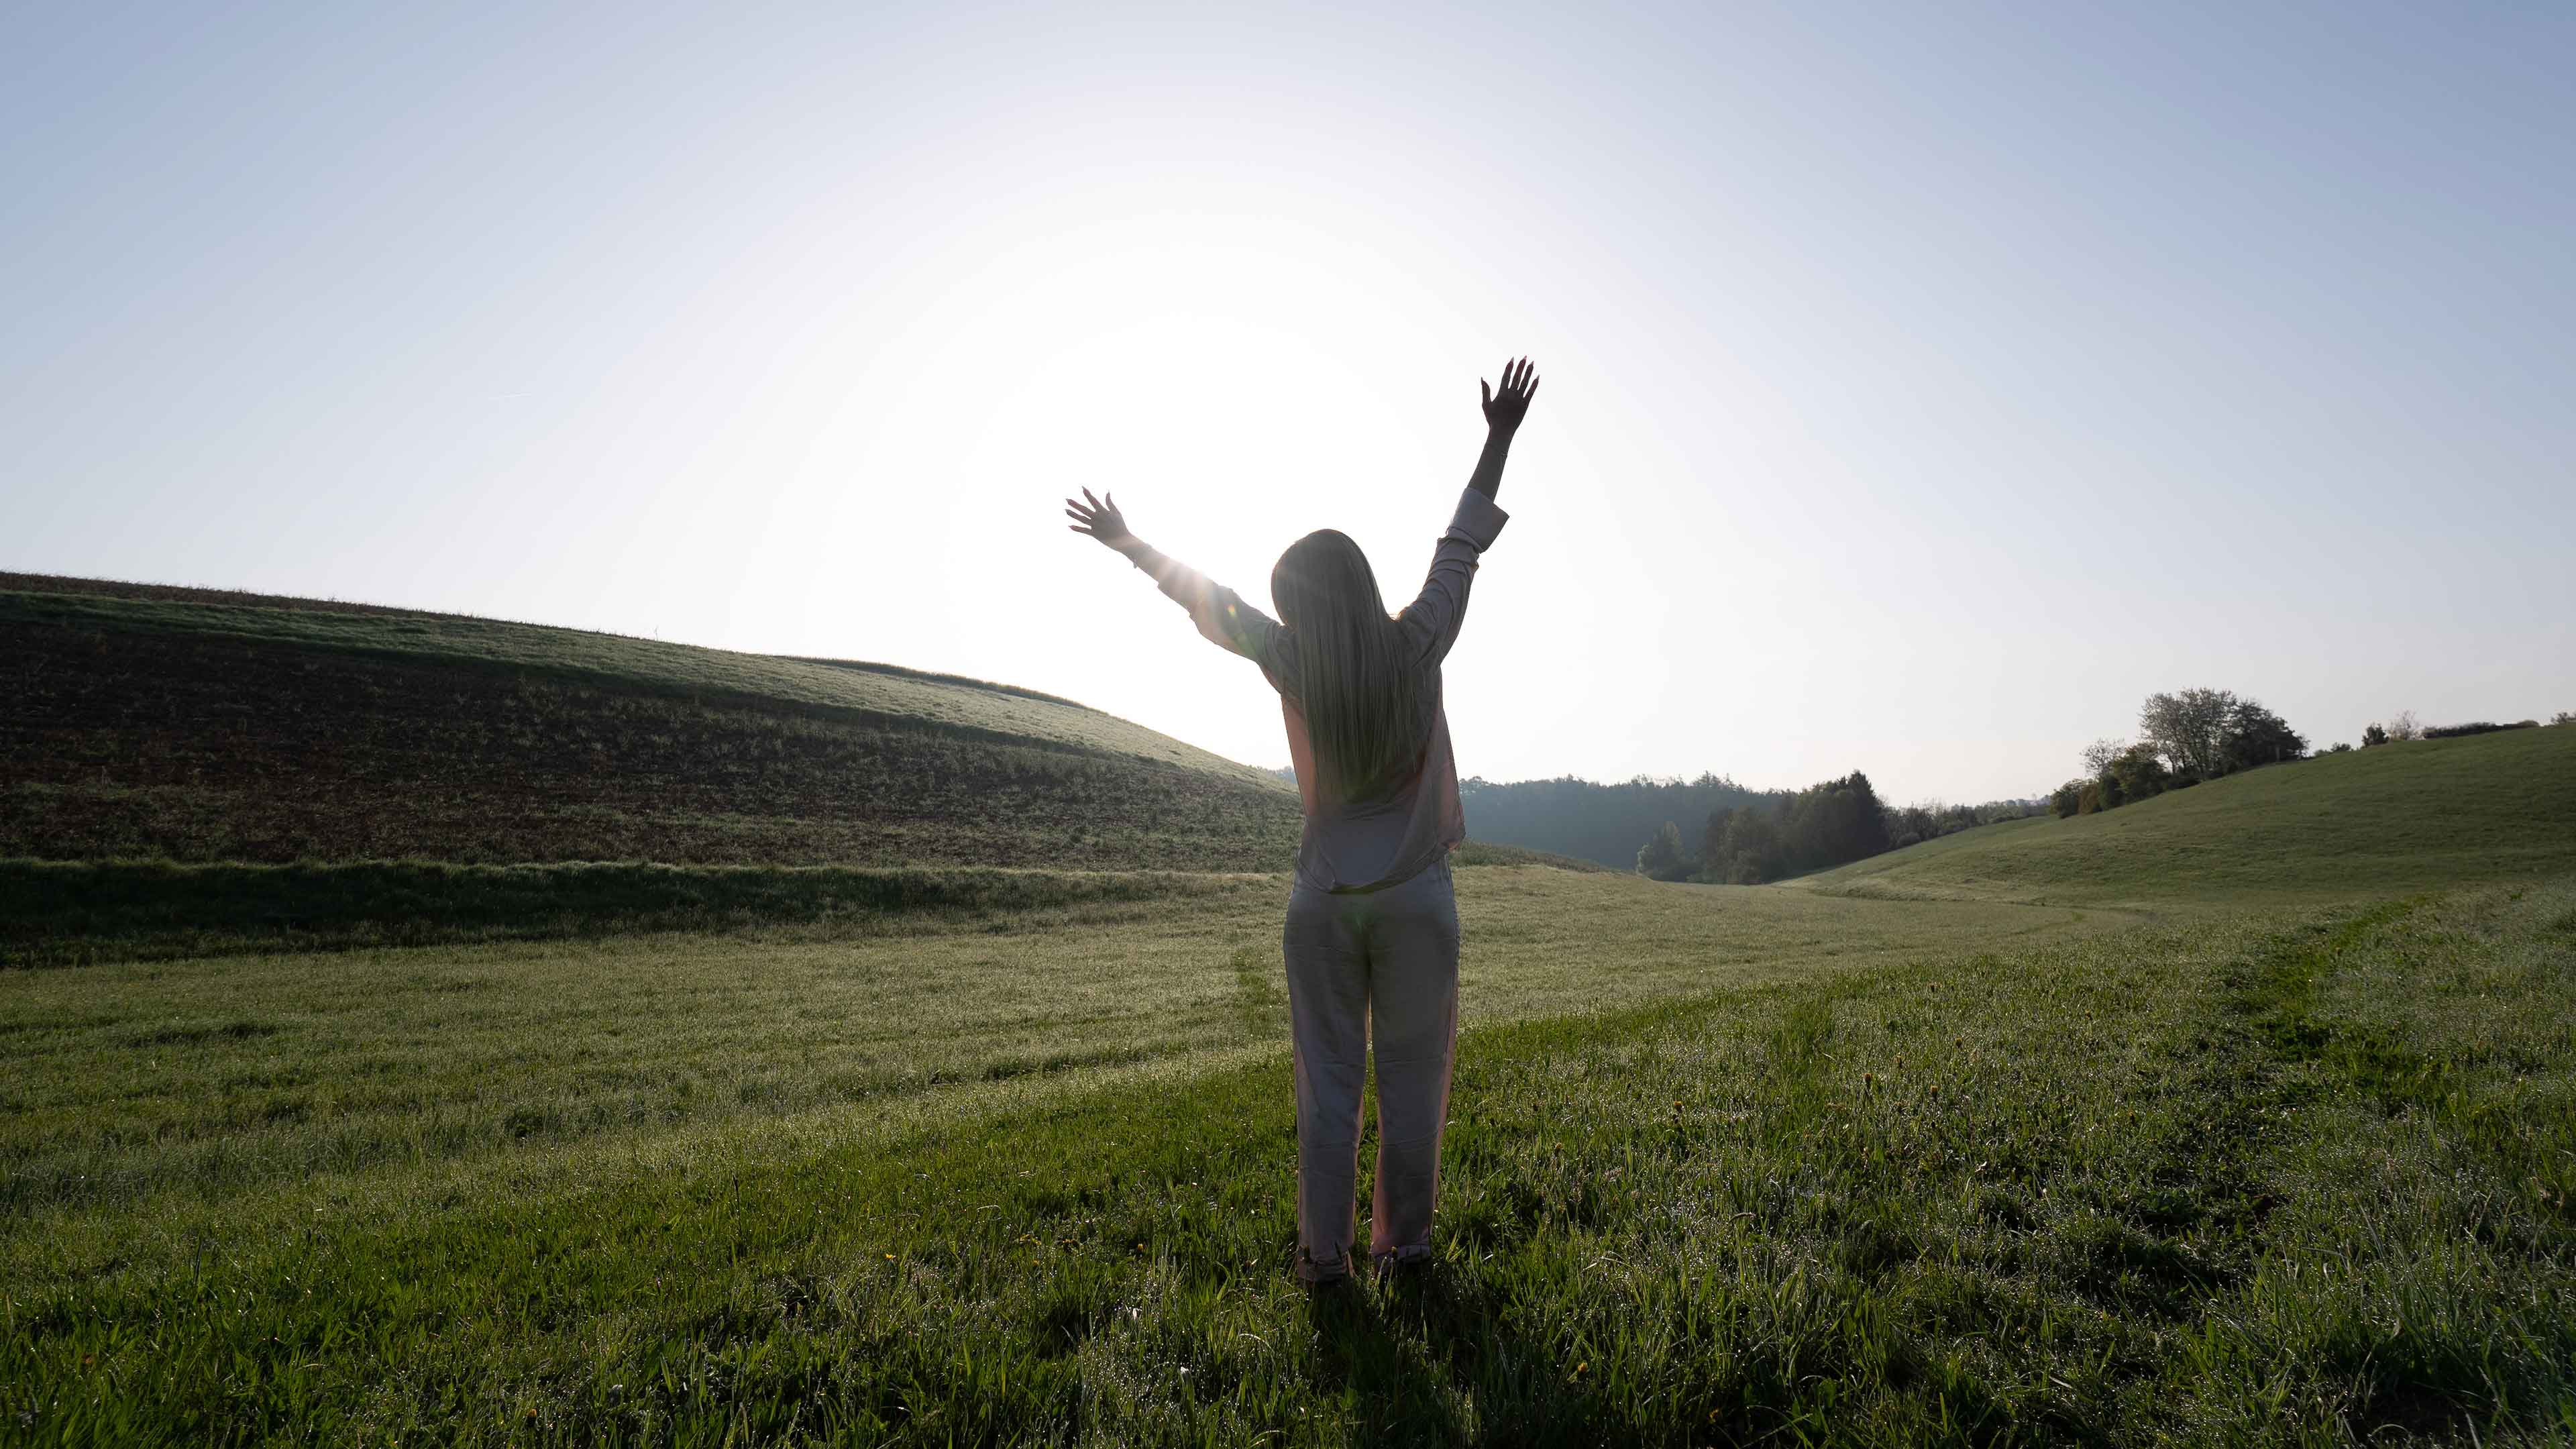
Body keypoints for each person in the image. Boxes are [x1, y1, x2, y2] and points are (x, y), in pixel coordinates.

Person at [1063, 357, 1540, 1285]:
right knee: (1413, 1087)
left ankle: (1324, 1263)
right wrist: (1498, 438)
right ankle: (1404, 1251)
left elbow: (1211, 600)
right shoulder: (1418, 641)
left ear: (1301, 610)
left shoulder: (1293, 662)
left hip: (1322, 905)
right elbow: (1460, 545)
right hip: (1414, 905)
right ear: (1360, 587)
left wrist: (1128, 542)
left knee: (1328, 1088)